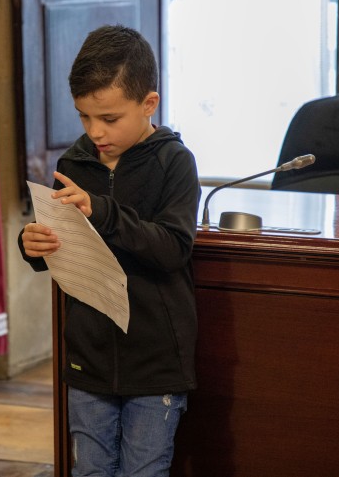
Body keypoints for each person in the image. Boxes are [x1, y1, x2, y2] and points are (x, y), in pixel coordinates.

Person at [18, 24, 200, 477]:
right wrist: (34, 246)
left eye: (110, 119)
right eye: (84, 117)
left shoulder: (174, 163)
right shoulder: (74, 164)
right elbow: (65, 250)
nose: (95, 132)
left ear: (148, 104)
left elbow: (173, 248)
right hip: (88, 359)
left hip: (154, 362)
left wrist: (103, 211)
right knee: (90, 471)